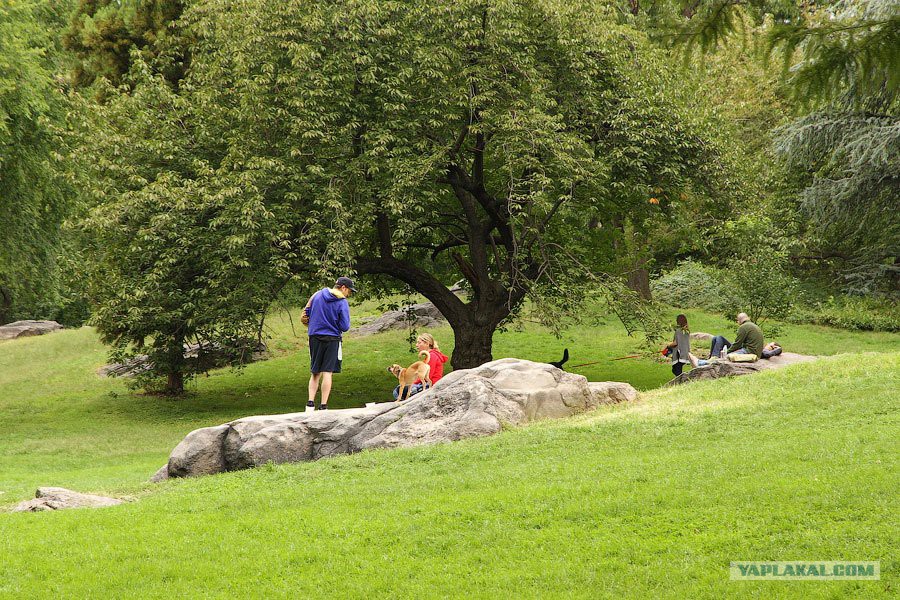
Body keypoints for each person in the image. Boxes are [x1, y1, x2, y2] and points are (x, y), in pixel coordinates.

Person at [305, 276, 356, 411]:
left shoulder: (317, 295)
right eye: (349, 291)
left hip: (314, 336)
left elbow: (307, 313)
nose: (348, 294)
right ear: (343, 287)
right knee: (327, 371)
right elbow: (345, 326)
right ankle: (323, 406)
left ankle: (310, 404)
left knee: (315, 371)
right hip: (332, 338)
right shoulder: (341, 301)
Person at [392, 333, 450, 400]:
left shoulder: (432, 356)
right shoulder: (431, 355)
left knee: (399, 390)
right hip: (427, 385)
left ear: (427, 343)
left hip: (431, 386)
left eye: (419, 343)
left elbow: (427, 377)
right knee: (399, 389)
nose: (417, 345)